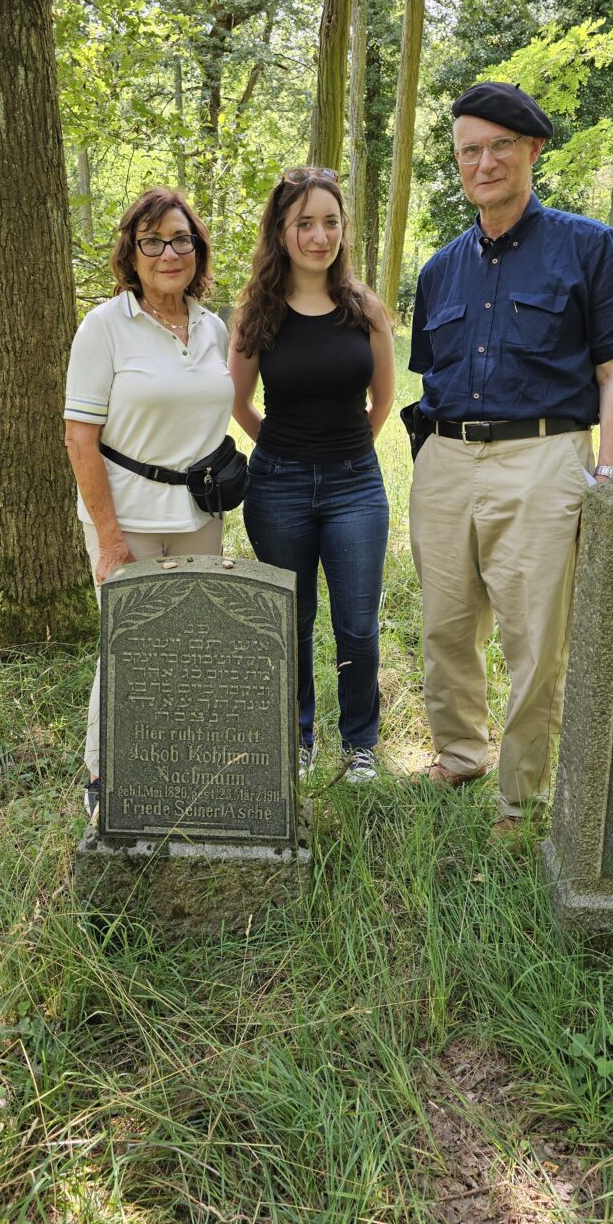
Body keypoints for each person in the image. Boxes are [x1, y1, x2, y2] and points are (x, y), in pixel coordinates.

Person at [408, 81, 613, 838]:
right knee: (446, 623)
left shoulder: (587, 245)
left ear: (532, 149)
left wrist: (606, 475)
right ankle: (459, 753)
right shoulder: (440, 270)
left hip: (545, 457)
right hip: (445, 459)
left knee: (535, 636)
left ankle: (521, 796)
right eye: (469, 150)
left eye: (499, 146)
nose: (484, 163)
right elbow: (429, 373)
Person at [65, 187, 234, 818]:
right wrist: (109, 538)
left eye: (181, 238)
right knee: (128, 652)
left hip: (198, 518)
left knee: (191, 648)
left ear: (197, 248)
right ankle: (105, 775)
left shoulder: (213, 327)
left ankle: (177, 770)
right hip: (127, 521)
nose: (169, 252)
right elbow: (79, 437)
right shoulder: (105, 327)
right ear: (131, 254)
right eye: (153, 241)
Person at [229, 167, 395, 783]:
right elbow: (238, 401)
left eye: (330, 221)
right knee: (290, 620)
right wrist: (282, 450)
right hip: (278, 487)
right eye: (305, 223)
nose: (319, 235)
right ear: (281, 231)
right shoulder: (257, 313)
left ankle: (360, 746)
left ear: (343, 229)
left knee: (356, 622)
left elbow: (383, 398)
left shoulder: (364, 307)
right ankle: (298, 740)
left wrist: (346, 452)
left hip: (357, 485)